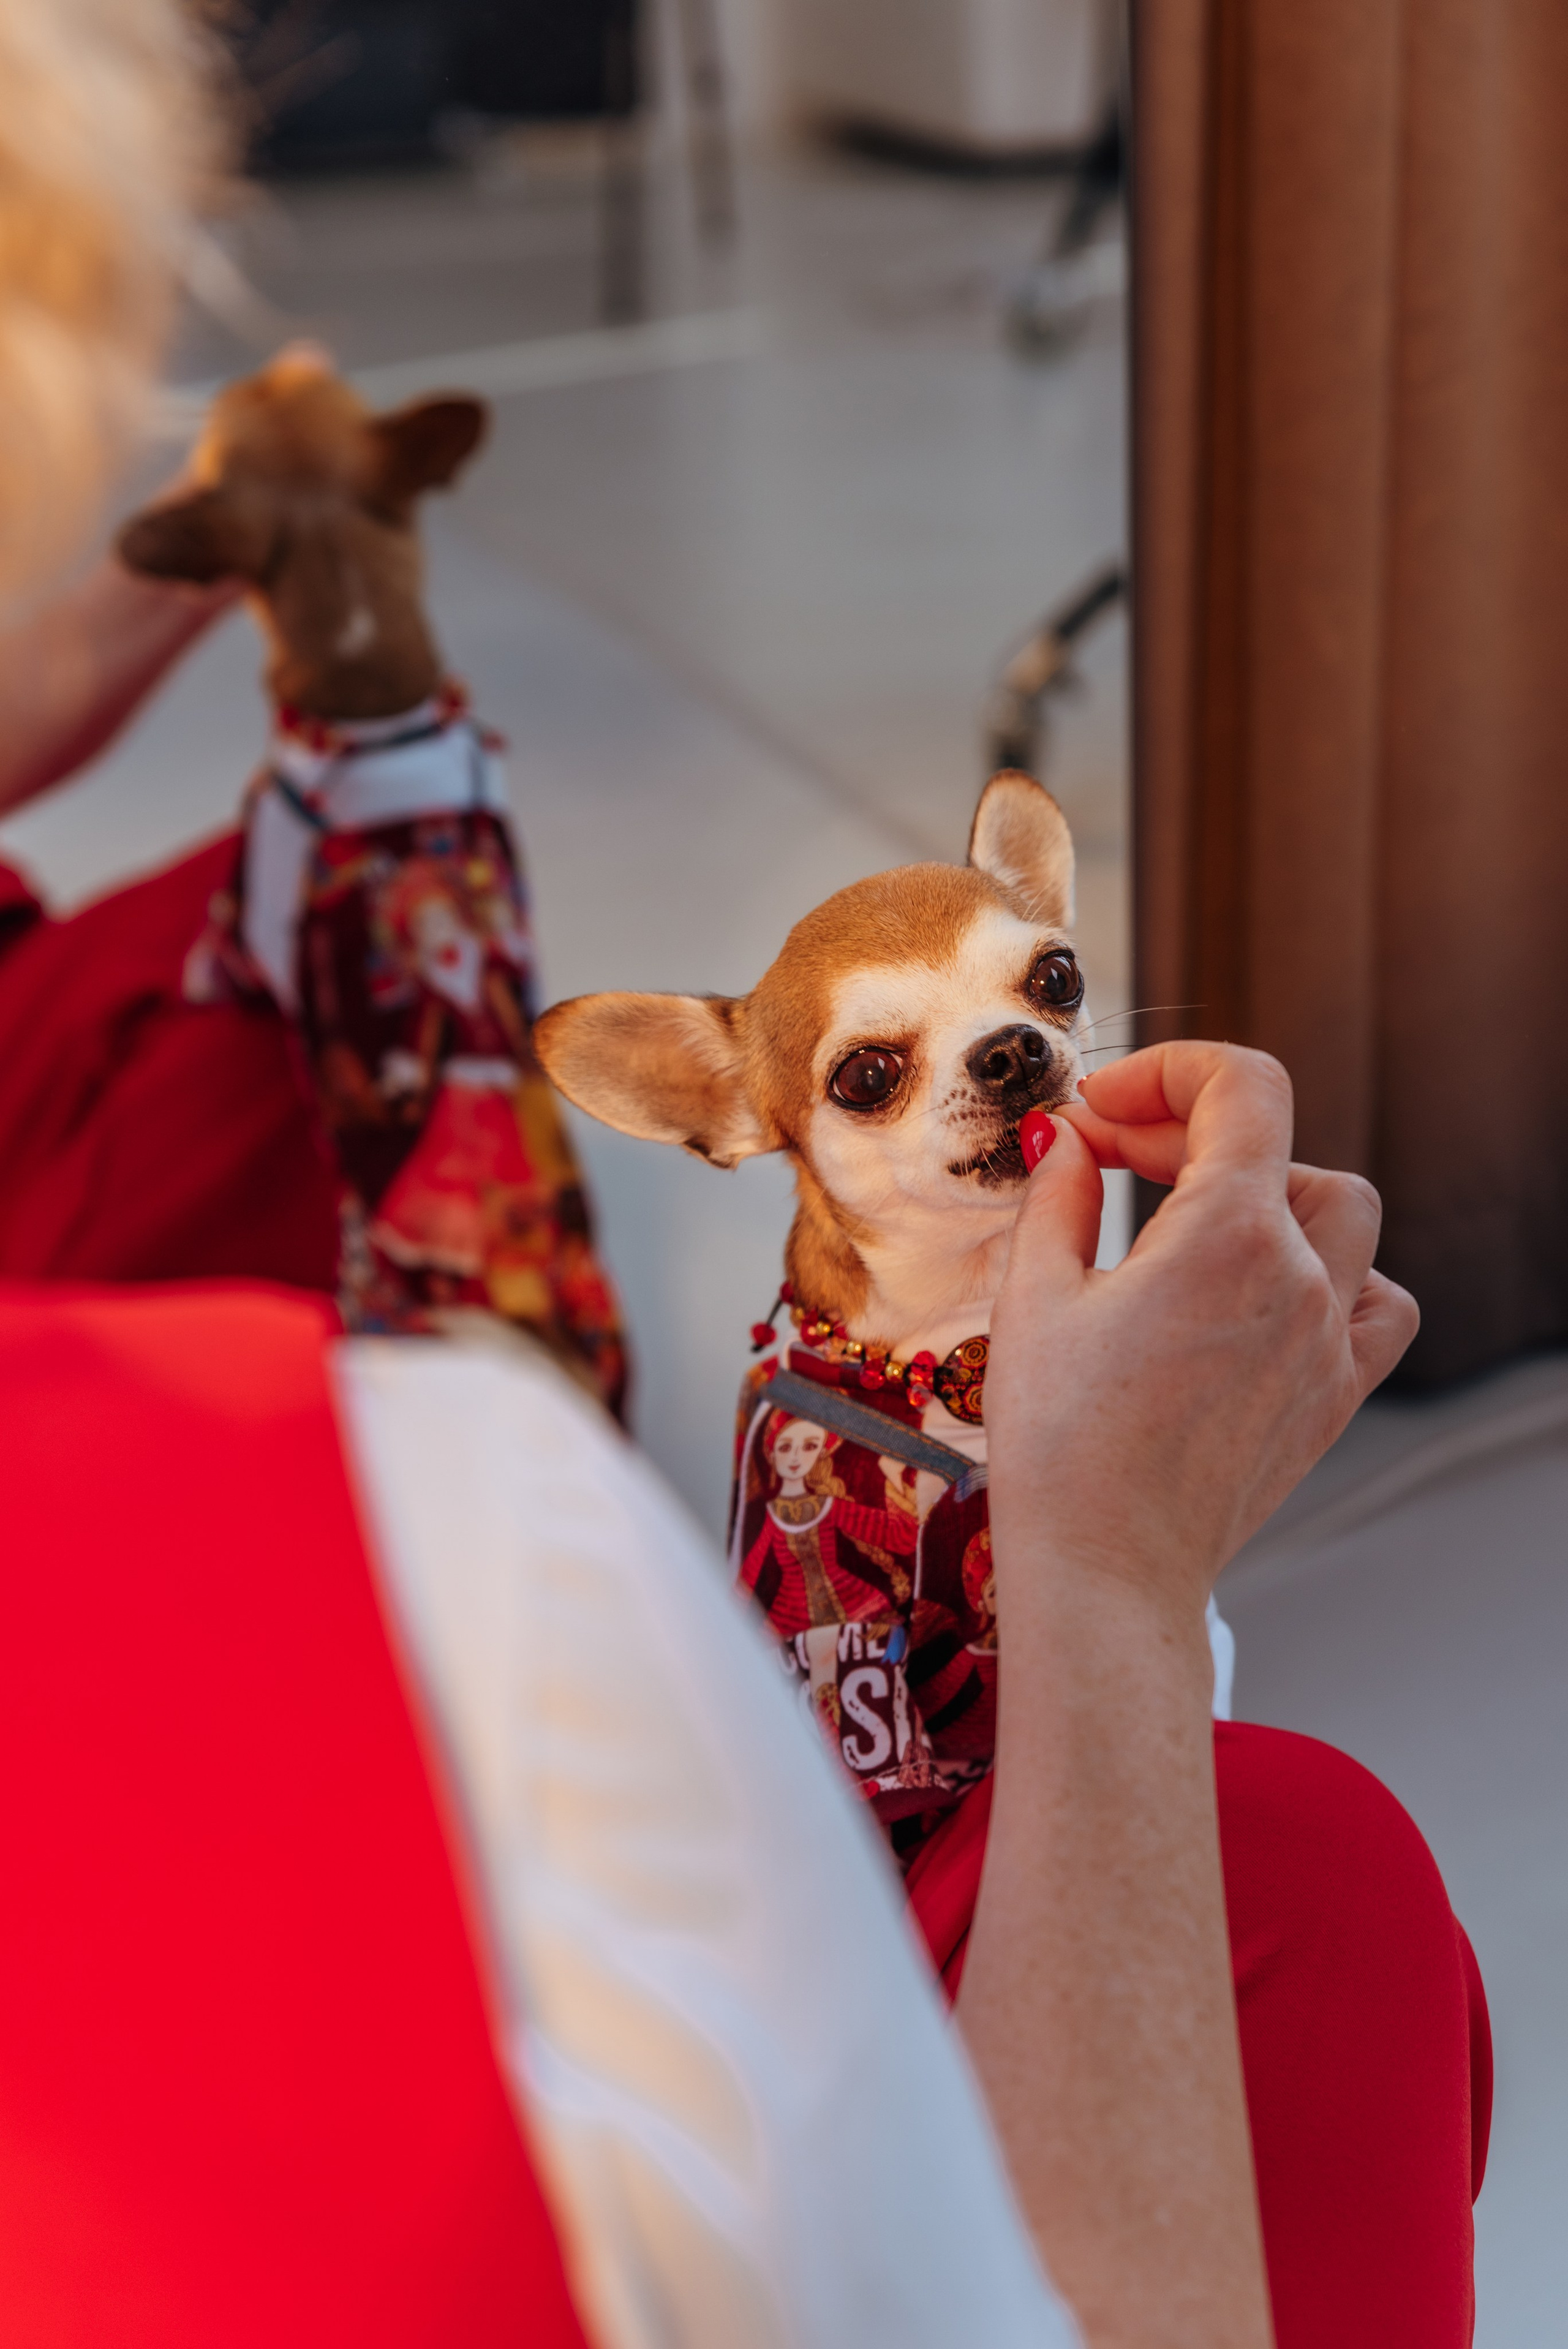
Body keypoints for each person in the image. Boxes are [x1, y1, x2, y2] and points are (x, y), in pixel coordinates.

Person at [0, 6, 1486, 2344]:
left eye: (1043, 990)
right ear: (743, 1114)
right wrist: (1106, 1571)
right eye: (884, 1075)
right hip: (722, 1833)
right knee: (1313, 1870)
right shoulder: (504, 1529)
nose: (1011, 1063)